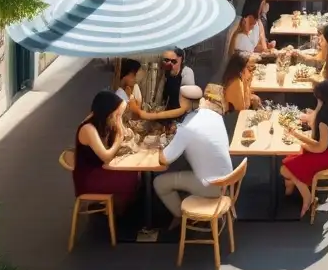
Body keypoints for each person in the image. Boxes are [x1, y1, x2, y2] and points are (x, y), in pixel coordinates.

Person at [154, 87, 234, 226]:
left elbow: (164, 159)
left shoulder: (187, 129)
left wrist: (159, 145)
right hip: (227, 179)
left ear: (183, 102)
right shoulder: (214, 116)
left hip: (211, 186)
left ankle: (181, 216)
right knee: (185, 165)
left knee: (159, 182)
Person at [280, 80, 328, 217]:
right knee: (290, 159)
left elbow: (320, 147)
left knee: (284, 169)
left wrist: (299, 138)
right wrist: (300, 138)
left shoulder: (324, 117)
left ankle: (306, 196)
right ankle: (291, 191)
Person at [73, 91, 140, 210]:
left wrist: (120, 126)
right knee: (131, 177)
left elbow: (122, 132)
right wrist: (118, 141)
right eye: (116, 115)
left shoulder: (101, 122)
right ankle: (121, 213)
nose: (117, 118)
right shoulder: (88, 129)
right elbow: (106, 157)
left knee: (135, 174)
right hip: (89, 179)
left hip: (99, 169)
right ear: (107, 112)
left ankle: (119, 209)